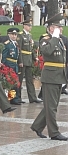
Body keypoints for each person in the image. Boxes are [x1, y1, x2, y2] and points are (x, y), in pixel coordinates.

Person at [31, 13, 68, 141]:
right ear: (51, 28)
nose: (61, 29)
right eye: (58, 27)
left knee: (51, 105)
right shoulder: (46, 39)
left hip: (59, 76)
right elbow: (47, 52)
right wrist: (55, 37)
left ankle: (37, 126)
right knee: (51, 107)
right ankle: (54, 132)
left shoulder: (59, 39)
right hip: (51, 76)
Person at [17, 17, 42, 103]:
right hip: (23, 59)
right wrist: (20, 61)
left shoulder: (29, 35)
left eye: (30, 25)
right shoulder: (20, 35)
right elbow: (19, 49)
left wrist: (34, 57)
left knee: (29, 80)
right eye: (28, 25)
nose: (30, 27)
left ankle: (32, 97)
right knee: (19, 80)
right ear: (24, 26)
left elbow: (31, 48)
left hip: (28, 60)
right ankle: (18, 97)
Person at [2, 28, 21, 105]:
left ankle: (14, 98)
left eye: (15, 34)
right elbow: (4, 56)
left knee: (14, 82)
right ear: (9, 35)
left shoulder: (16, 44)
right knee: (10, 82)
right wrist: (4, 66)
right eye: (12, 34)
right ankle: (11, 98)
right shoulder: (7, 44)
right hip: (9, 65)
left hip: (15, 64)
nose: (14, 36)